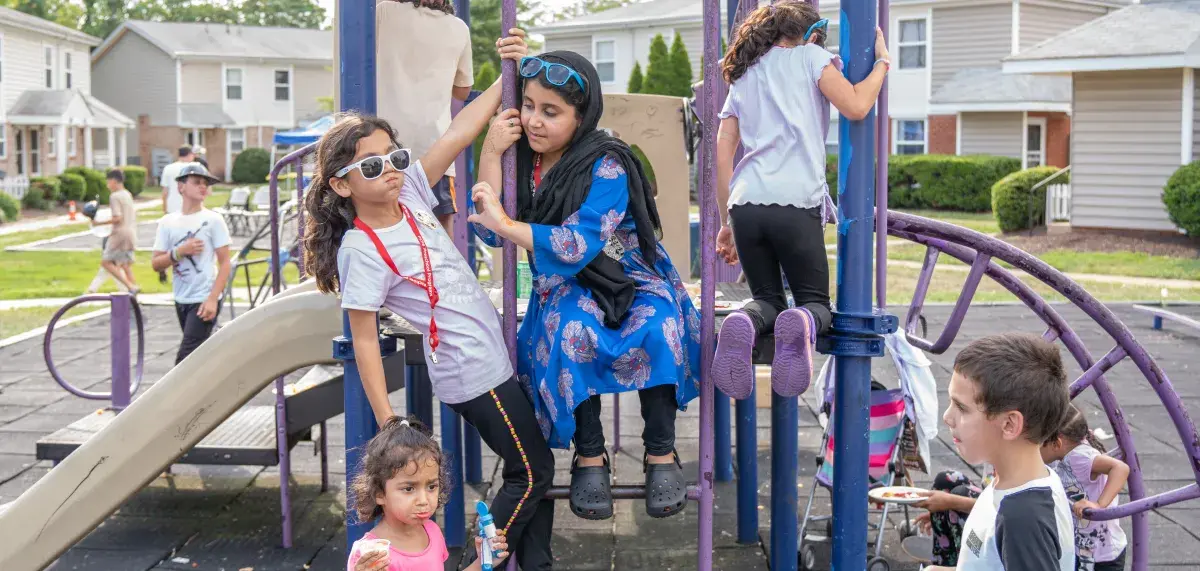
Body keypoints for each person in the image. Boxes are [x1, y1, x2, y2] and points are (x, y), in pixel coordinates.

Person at [303, 30, 556, 571]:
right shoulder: (361, 249)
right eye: (371, 166)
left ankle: (538, 564)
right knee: (532, 471)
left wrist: (507, 71)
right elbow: (364, 338)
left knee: (531, 469)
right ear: (342, 185)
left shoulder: (414, 192)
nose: (389, 170)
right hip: (470, 368)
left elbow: (461, 130)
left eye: (392, 156)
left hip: (488, 353)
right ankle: (480, 564)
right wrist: (388, 419)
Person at [469, 51, 702, 521]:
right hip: (565, 283)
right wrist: (491, 153)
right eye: (528, 106)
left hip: (630, 274)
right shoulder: (522, 161)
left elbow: (578, 243)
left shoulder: (607, 164)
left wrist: (509, 225)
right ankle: (589, 455)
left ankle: (660, 451)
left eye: (550, 112)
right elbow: (491, 231)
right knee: (572, 329)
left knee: (659, 326)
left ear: (582, 116)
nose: (534, 120)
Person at [711, 1, 890, 399]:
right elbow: (856, 105)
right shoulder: (812, 57)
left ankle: (744, 322)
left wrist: (726, 222)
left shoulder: (745, 73)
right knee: (816, 305)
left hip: (745, 205)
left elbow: (723, 153)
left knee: (765, 300)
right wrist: (882, 64)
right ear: (810, 35)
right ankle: (804, 321)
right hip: (794, 202)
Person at [923, 333, 1075, 571]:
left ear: (1009, 424)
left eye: (961, 407)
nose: (947, 417)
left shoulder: (1023, 518)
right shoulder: (1016, 485)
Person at [347, 417, 509, 571]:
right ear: (379, 493)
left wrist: (482, 562)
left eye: (431, 486)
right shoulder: (369, 556)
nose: (424, 500)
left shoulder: (431, 531)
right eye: (409, 489)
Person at [377, 0, 474, 236]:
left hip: (384, 147)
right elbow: (463, 90)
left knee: (383, 224)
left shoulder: (384, 12)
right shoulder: (458, 27)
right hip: (434, 147)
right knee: (438, 227)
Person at [150, 163, 232, 365]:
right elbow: (156, 264)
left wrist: (212, 299)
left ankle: (175, 388)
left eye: (206, 183)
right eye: (197, 182)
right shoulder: (167, 222)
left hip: (203, 298)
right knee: (199, 358)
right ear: (181, 187)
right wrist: (179, 252)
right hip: (181, 297)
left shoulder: (213, 220)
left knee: (185, 360)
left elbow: (225, 263)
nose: (203, 187)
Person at [1042, 405, 1129, 571]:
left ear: (1057, 443)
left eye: (1037, 443)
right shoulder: (1060, 454)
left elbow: (1120, 468)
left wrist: (1099, 505)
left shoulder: (1080, 456)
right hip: (1081, 547)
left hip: (1102, 554)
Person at [87, 169, 140, 295]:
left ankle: (130, 287)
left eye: (108, 182)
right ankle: (135, 289)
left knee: (106, 262)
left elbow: (117, 218)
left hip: (119, 234)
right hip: (131, 232)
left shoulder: (114, 196)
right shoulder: (127, 194)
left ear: (114, 181)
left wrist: (98, 223)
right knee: (125, 265)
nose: (107, 185)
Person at [160, 145, 196, 215]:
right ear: (190, 154)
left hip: (172, 207)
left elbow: (165, 192)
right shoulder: (195, 167)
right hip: (191, 207)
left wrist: (164, 209)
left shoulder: (168, 168)